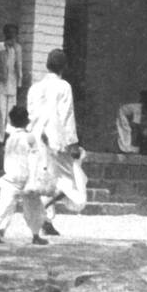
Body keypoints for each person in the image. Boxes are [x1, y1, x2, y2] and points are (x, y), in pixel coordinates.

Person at [27, 48, 86, 236]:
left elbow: (32, 115)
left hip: (36, 140)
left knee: (46, 177)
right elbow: (66, 116)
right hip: (56, 141)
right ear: (64, 67)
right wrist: (72, 143)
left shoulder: (35, 88)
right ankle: (45, 210)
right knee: (72, 189)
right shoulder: (63, 86)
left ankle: (45, 220)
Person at [0, 105, 48, 245]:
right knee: (34, 207)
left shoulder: (10, 138)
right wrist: (34, 179)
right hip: (25, 177)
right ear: (27, 121)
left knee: (5, 203)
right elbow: (34, 159)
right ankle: (35, 235)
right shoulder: (30, 138)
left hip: (10, 176)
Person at [0, 25, 24, 146]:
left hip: (12, 84)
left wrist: (19, 84)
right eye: (11, 33)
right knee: (0, 111)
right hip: (0, 83)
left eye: (15, 33)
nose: (13, 36)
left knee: (10, 111)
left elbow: (19, 67)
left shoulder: (18, 48)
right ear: (6, 34)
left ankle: (9, 138)